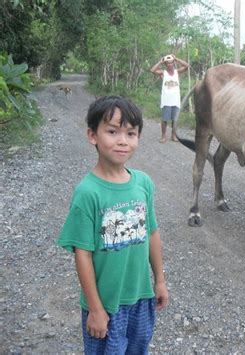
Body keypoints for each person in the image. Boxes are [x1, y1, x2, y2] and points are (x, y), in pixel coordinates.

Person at [57, 96, 169, 354]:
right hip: (105, 303)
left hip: (141, 298)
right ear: (92, 135)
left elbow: (152, 233)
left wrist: (160, 281)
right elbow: (82, 254)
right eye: (112, 131)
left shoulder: (143, 183)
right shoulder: (88, 193)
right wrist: (95, 309)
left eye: (131, 133)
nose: (122, 141)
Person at [150, 54, 190, 143]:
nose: (170, 65)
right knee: (165, 119)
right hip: (166, 100)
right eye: (168, 63)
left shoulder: (177, 72)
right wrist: (160, 62)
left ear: (173, 63)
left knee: (175, 119)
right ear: (165, 64)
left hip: (175, 100)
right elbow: (152, 70)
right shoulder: (163, 73)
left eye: (171, 63)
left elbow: (187, 65)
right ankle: (163, 136)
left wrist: (176, 59)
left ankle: (173, 135)